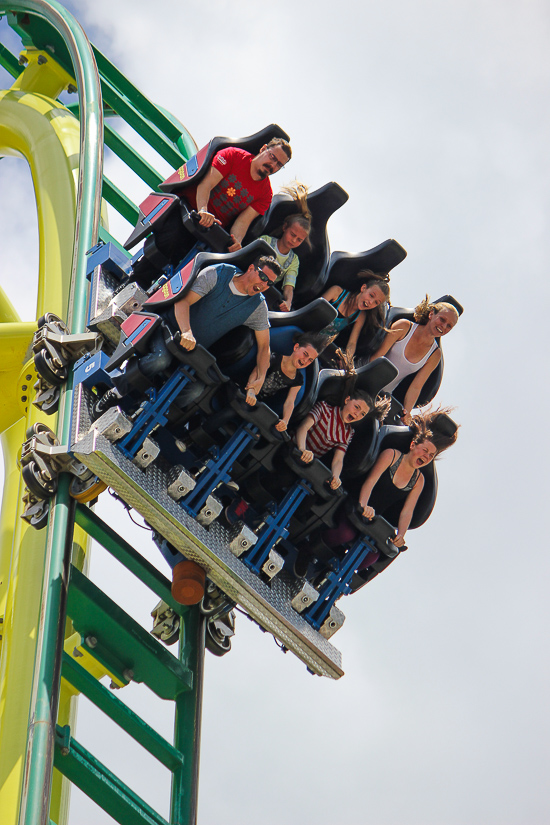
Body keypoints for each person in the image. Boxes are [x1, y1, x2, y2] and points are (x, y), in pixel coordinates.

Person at [95, 255, 281, 413]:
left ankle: (146, 412)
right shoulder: (219, 273)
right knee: (161, 360)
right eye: (263, 276)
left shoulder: (257, 306)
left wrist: (260, 378)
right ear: (251, 268)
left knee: (195, 389)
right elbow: (182, 303)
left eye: (269, 283)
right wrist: (186, 332)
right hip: (170, 329)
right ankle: (117, 390)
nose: (264, 284)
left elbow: (265, 347)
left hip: (192, 352)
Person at [132, 138, 292, 287]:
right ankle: (134, 282)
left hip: (211, 231)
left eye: (279, 165)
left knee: (201, 267)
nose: (273, 165)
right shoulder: (233, 155)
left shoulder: (265, 194)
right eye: (272, 157)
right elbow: (206, 184)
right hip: (188, 210)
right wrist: (203, 210)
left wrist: (236, 242)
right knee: (172, 239)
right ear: (263, 149)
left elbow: (243, 222)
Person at [358, 406, 458, 548]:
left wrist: (401, 534)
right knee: (346, 534)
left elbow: (407, 511)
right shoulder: (391, 455)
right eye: (425, 451)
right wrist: (363, 506)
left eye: (431, 455)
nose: (426, 457)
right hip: (360, 506)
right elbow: (370, 481)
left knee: (372, 556)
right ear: (412, 445)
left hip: (376, 522)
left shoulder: (419, 480)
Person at [370, 296, 459, 424]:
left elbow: (416, 387)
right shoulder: (404, 326)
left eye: (449, 326)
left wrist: (406, 412)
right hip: (368, 374)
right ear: (431, 314)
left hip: (384, 395)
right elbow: (377, 356)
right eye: (442, 319)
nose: (443, 326)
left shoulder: (435, 354)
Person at [295, 390, 390, 490]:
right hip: (294, 449)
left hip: (308, 464)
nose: (357, 414)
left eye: (362, 414)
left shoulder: (348, 432)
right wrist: (302, 449)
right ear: (347, 400)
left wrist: (335, 476)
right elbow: (303, 427)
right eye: (356, 407)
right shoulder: (324, 408)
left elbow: (338, 459)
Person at [245, 331, 327, 430]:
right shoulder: (274, 358)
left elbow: (290, 401)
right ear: (296, 347)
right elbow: (257, 372)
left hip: (261, 407)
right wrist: (251, 391)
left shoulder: (298, 380)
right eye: (305, 354)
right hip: (247, 393)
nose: (305, 360)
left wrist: (285, 420)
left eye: (310, 360)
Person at [259, 182, 312, 311]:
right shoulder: (265, 241)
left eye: (299, 240)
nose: (294, 241)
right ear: (285, 228)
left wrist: (288, 301)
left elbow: (289, 286)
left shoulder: (293, 261)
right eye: (292, 234)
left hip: (262, 293)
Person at [319, 273, 390, 361]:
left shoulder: (360, 316)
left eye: (376, 302)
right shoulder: (336, 292)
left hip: (322, 344)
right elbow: (314, 309)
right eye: (371, 296)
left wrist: (347, 358)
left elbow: (352, 343)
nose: (371, 302)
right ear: (363, 288)